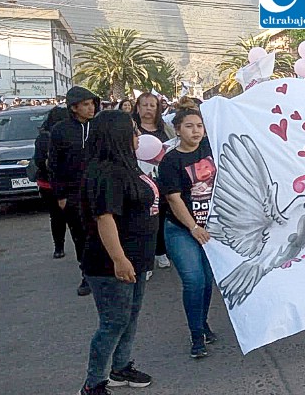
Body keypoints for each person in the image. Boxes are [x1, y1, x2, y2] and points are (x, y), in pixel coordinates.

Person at [78, 110, 158, 395]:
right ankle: (93, 384)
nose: (139, 135)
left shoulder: (127, 165)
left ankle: (121, 367)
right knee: (113, 322)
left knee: (129, 318)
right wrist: (119, 259)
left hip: (136, 259)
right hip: (110, 263)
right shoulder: (106, 172)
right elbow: (105, 217)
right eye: (133, 130)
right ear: (118, 135)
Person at [157, 107, 217, 358]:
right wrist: (193, 228)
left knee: (207, 280)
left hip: (212, 227)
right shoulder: (171, 161)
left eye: (199, 126)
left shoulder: (211, 149)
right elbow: (173, 199)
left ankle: (202, 323)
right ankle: (196, 336)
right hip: (181, 229)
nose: (195, 131)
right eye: (189, 126)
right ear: (178, 130)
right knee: (193, 280)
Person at [49, 86, 100, 296]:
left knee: (102, 232)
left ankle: (105, 271)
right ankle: (86, 274)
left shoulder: (98, 127)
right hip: (73, 194)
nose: (91, 108)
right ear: (74, 108)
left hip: (98, 190)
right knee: (81, 235)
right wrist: (60, 195)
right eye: (86, 105)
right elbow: (54, 164)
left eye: (92, 104)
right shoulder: (60, 130)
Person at [134, 92, 175, 273]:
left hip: (162, 184)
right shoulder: (132, 130)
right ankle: (146, 260)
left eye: (153, 105)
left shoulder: (166, 129)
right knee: (143, 222)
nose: (148, 109)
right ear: (138, 107)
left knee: (161, 218)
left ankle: (161, 252)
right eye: (145, 105)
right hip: (139, 185)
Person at [33, 106, 70, 259]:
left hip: (46, 184)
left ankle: (59, 248)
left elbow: (38, 161)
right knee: (74, 218)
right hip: (62, 183)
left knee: (56, 217)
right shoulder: (62, 135)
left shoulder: (42, 136)